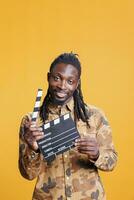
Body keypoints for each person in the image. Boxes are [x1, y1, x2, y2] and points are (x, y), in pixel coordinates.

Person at [19, 53, 117, 200]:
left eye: (70, 81)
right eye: (57, 78)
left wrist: (97, 154)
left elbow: (112, 162)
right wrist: (33, 150)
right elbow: (28, 174)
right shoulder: (32, 122)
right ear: (48, 77)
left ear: (77, 83)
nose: (62, 86)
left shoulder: (95, 116)